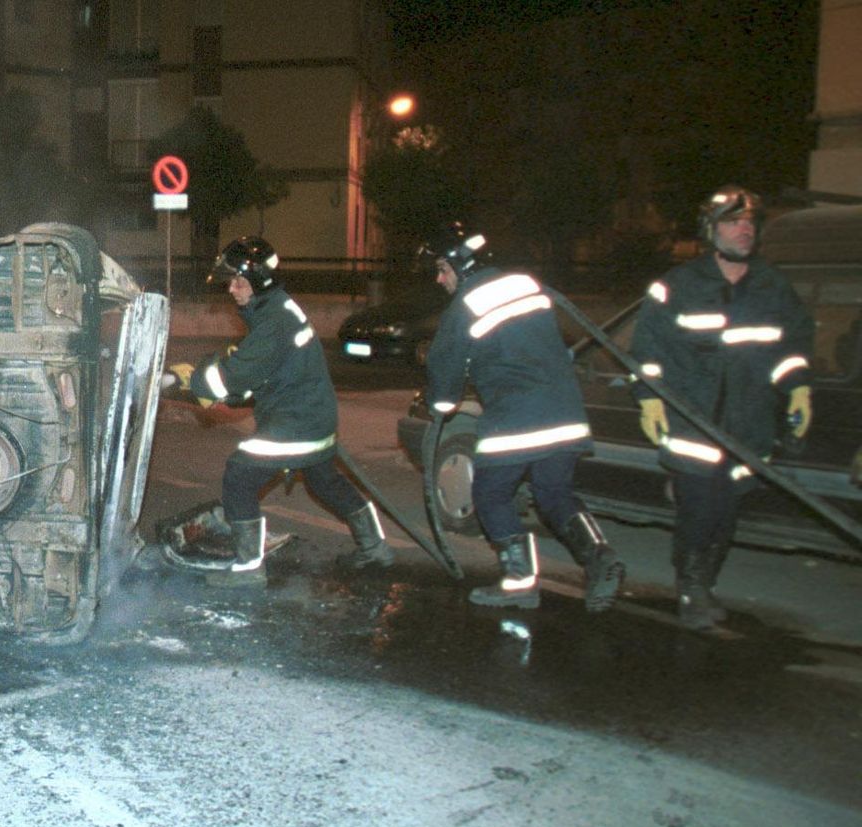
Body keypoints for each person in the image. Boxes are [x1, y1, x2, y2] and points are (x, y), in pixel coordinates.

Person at [630, 186, 814, 629]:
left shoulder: (773, 287)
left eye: (750, 222)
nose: (744, 230)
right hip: (693, 425)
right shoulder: (678, 286)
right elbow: (647, 349)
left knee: (727, 513)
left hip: (749, 425)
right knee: (701, 510)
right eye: (734, 222)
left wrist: (798, 389)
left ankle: (705, 582)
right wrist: (649, 397)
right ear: (711, 230)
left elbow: (791, 347)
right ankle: (691, 589)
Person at [165, 236, 393, 586]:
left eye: (237, 281)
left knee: (240, 476)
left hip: (296, 422)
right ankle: (375, 546)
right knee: (324, 479)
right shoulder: (277, 309)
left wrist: (195, 378)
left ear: (257, 280)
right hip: (313, 416)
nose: (232, 289)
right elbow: (261, 369)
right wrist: (229, 378)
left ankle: (248, 568)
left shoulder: (274, 322)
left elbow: (231, 379)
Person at [422, 222, 624, 610]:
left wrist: (441, 404)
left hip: (516, 417)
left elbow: (443, 365)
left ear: (460, 266)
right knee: (554, 494)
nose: (439, 278)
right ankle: (602, 558)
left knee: (491, 494)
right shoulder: (528, 284)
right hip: (565, 412)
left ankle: (519, 582)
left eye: (441, 269)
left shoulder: (465, 304)